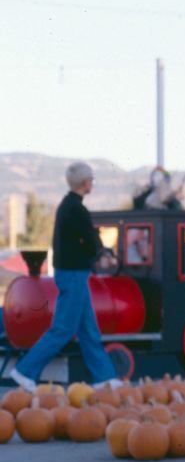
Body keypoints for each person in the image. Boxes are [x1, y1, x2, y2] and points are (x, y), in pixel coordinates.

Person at [9, 162, 121, 390]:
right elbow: (90, 244)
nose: (92, 183)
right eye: (91, 179)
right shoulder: (77, 209)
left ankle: (105, 378)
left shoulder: (66, 206)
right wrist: (101, 250)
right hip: (74, 275)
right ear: (85, 183)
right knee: (63, 329)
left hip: (70, 274)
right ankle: (24, 370)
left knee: (88, 329)